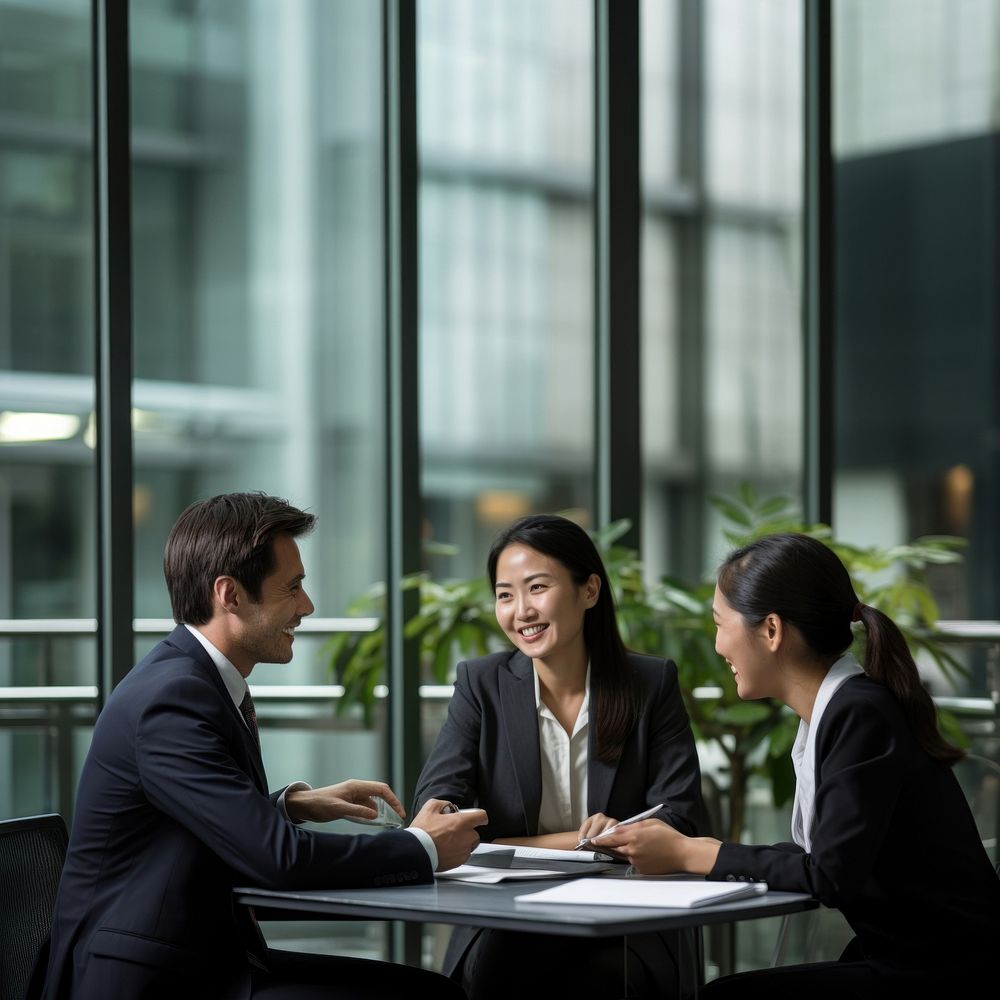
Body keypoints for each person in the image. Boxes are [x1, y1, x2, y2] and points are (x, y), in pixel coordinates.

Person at [37, 492, 485, 1000]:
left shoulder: (197, 679)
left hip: (203, 956)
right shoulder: (173, 697)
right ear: (229, 595)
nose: (307, 607)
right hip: (152, 977)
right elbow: (277, 860)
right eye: (292, 588)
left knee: (430, 992)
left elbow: (191, 820)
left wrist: (288, 806)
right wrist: (422, 847)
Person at [594, 531, 1000, 998]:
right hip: (917, 957)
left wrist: (689, 854)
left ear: (771, 630)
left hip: (947, 970)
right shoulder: (839, 712)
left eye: (720, 624)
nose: (718, 646)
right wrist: (695, 847)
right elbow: (824, 858)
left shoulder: (859, 713)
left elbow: (828, 874)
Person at [413, 513, 707, 1000]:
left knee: (600, 980)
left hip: (627, 916)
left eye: (537, 588)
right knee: (508, 966)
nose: (520, 610)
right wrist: (584, 839)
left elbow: (680, 817)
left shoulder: (649, 684)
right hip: (509, 915)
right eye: (505, 595)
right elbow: (440, 810)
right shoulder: (481, 685)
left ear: (589, 590)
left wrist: (513, 840)